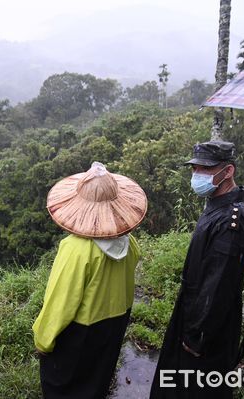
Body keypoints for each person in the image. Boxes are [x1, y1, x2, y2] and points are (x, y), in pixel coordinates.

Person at [150, 141, 244, 399]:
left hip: (208, 325)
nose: (198, 175)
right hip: (194, 309)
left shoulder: (231, 221)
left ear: (228, 171)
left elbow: (218, 286)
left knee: (196, 387)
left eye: (205, 169)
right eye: (195, 169)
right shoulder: (217, 203)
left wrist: (198, 334)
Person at [33, 161, 147, 399]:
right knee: (96, 383)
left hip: (79, 334)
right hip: (114, 325)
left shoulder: (75, 249)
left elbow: (61, 303)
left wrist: (43, 341)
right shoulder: (129, 241)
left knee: (64, 388)